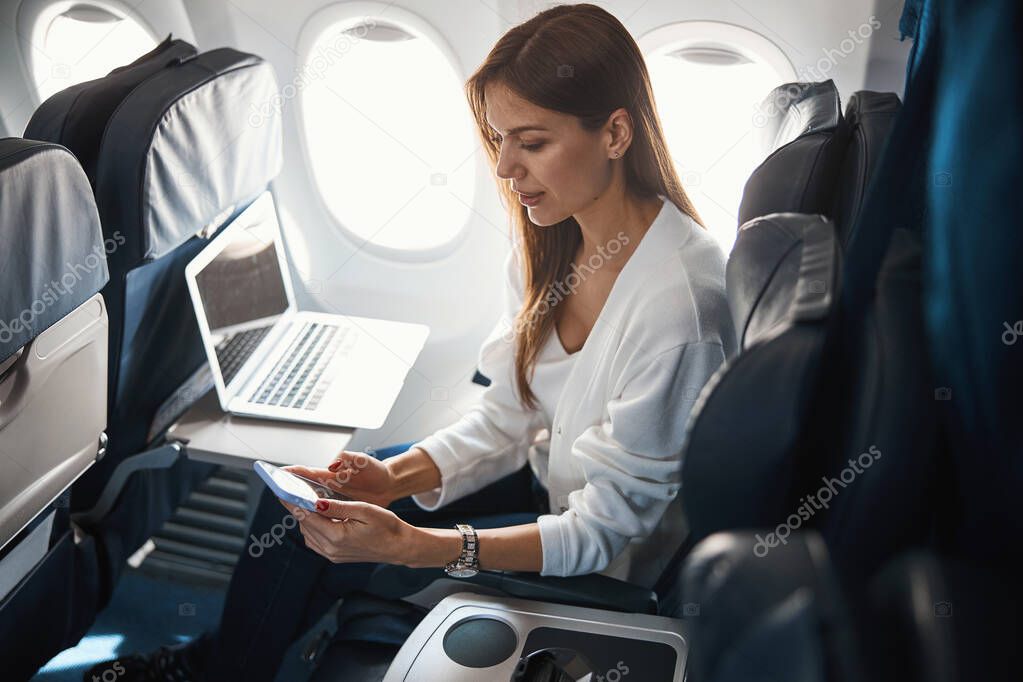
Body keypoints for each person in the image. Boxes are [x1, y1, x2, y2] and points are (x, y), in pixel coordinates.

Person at [85, 4, 735, 680]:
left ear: (615, 133)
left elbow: (604, 531)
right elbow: (507, 419)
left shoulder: (679, 307)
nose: (506, 167)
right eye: (498, 139)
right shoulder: (556, 245)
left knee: (352, 556)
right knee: (310, 512)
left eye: (532, 142)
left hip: (603, 562)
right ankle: (218, 664)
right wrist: (391, 478)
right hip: (550, 480)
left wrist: (418, 547)